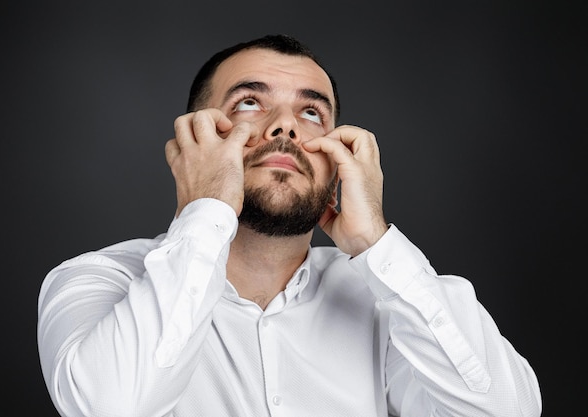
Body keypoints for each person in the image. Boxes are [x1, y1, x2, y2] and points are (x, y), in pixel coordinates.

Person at [37, 34, 542, 417]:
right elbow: (108, 407)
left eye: (311, 112)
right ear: (195, 139)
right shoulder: (97, 281)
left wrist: (374, 243)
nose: (286, 127)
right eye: (250, 103)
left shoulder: (386, 301)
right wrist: (207, 209)